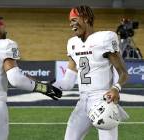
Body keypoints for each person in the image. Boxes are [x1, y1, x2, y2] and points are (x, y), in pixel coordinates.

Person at [52, 5, 128, 140]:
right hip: (83, 101)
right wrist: (51, 86)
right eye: (70, 21)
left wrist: (115, 89)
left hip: (103, 99)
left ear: (86, 18)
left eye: (74, 20)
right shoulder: (72, 43)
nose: (71, 24)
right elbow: (68, 82)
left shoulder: (105, 38)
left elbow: (123, 73)